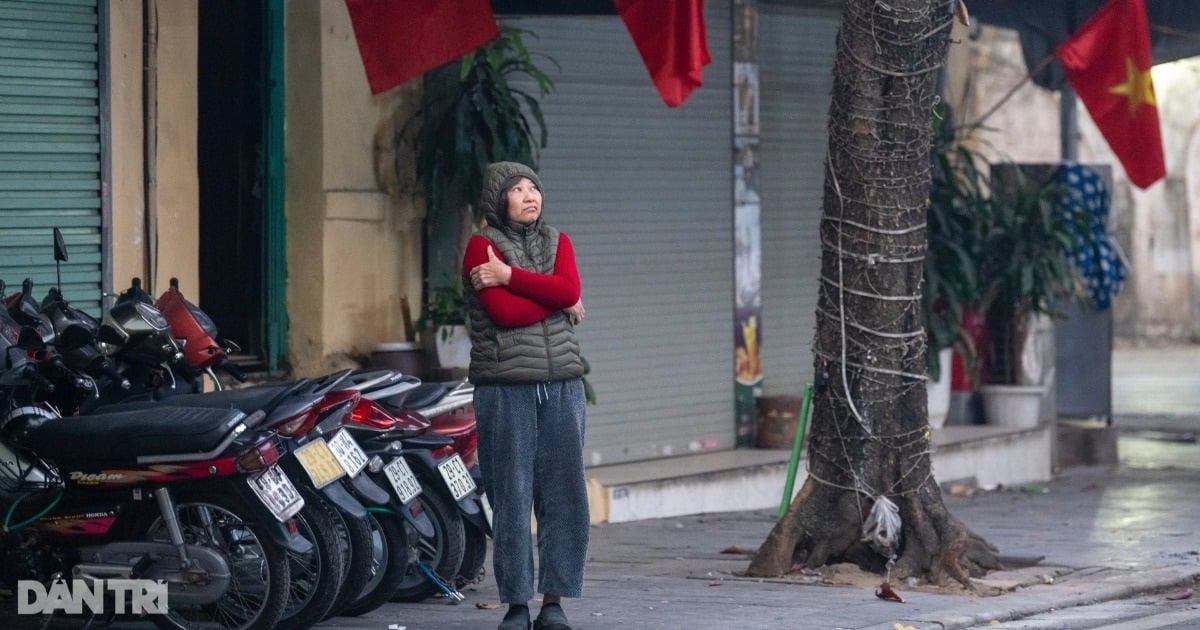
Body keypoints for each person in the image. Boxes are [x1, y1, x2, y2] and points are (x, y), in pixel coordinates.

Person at [463, 161, 589, 630]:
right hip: (505, 389)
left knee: (565, 496)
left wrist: (511, 277)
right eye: (517, 189)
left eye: (533, 186)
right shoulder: (481, 246)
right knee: (511, 495)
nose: (529, 194)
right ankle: (516, 605)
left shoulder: (559, 241)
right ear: (499, 200)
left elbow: (570, 288)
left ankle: (553, 603)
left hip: (562, 386)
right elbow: (503, 314)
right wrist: (556, 301)